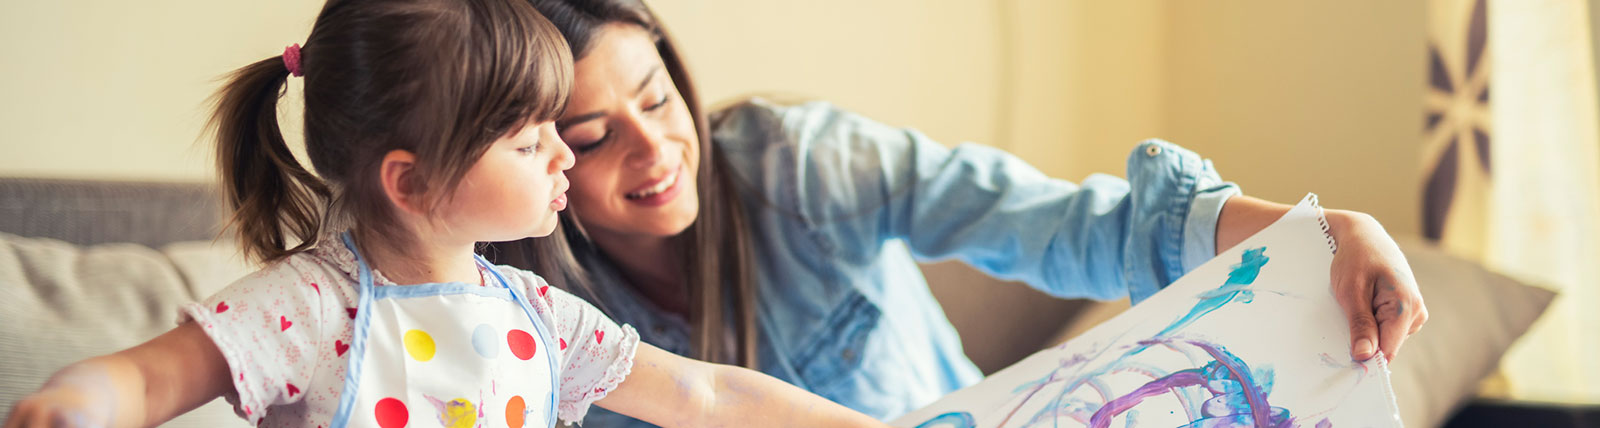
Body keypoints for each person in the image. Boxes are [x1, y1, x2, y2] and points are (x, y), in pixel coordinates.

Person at [487, 1, 1430, 426]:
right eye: (595, 134)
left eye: (657, 101)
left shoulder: (798, 164)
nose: (654, 153)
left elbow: (1072, 228)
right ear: (535, 151)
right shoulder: (530, 316)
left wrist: (1319, 234)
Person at [1, 1, 893, 427]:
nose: (562, 153)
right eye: (528, 136)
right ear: (412, 181)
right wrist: (73, 403)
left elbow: (706, 391)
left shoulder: (539, 319)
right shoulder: (313, 307)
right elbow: (153, 379)